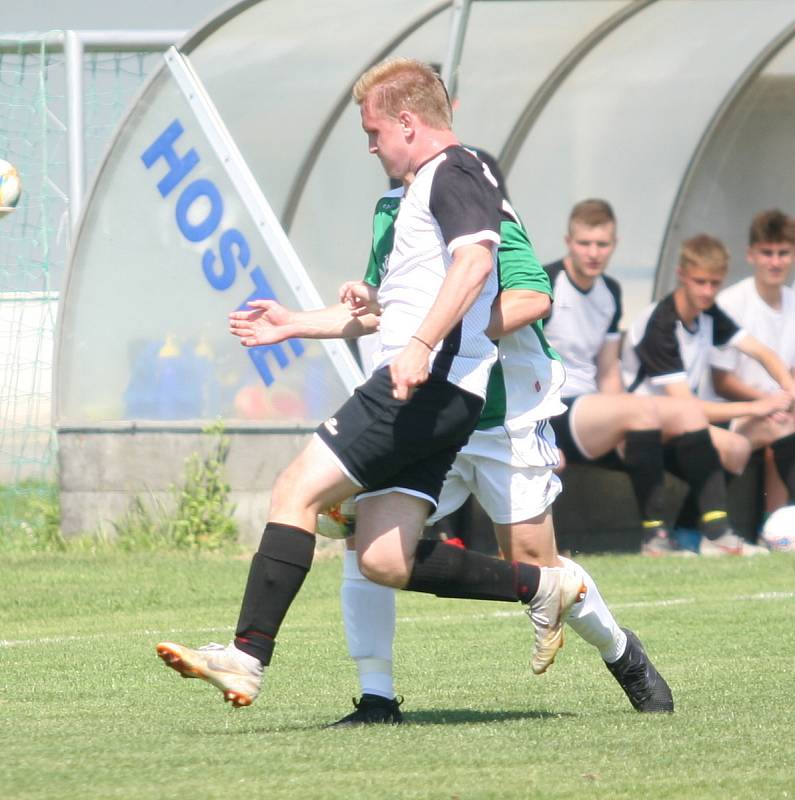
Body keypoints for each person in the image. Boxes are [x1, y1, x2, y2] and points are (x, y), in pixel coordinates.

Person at [155, 57, 585, 710]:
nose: (370, 145)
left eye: (373, 130)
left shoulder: (458, 169)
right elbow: (402, 300)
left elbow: (476, 263)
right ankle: (539, 587)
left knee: (295, 490)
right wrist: (292, 324)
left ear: (408, 123)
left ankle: (246, 656)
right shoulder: (418, 194)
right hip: (441, 396)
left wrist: (417, 347)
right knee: (383, 556)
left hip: (420, 388)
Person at [327, 172, 672, 726]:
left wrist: (445, 333)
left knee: (536, 566)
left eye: (380, 130)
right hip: (427, 417)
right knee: (363, 541)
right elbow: (384, 308)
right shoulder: (391, 213)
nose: (374, 147)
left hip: (500, 418)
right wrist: (303, 320)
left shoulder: (486, 216)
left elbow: (534, 297)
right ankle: (376, 698)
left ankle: (620, 651)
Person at [542, 200, 750, 556]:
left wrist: (619, 413)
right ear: (568, 241)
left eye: (602, 244)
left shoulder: (611, 291)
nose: (594, 253)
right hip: (552, 412)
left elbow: (608, 368)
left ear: (615, 245)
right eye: (585, 243)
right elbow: (514, 359)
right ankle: (670, 536)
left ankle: (701, 533)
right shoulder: (546, 281)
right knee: (657, 411)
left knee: (734, 446)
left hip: (595, 412)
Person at [621, 233, 795, 553]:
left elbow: (762, 352)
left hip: (686, 423)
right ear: (682, 275)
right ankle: (713, 533)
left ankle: (695, 532)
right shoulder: (660, 324)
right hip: (646, 429)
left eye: (715, 283)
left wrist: (789, 389)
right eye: (700, 282)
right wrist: (757, 406)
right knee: (736, 445)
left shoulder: (709, 313)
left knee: (779, 425)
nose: (707, 291)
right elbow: (685, 409)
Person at [709, 210, 795, 515]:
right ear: (751, 255)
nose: (775, 261)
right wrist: (767, 402)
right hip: (734, 412)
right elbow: (721, 380)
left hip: (779, 408)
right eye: (767, 253)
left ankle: (777, 527)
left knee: (785, 424)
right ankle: (777, 524)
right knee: (783, 427)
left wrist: (783, 402)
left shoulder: (793, 301)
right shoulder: (731, 302)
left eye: (783, 253)